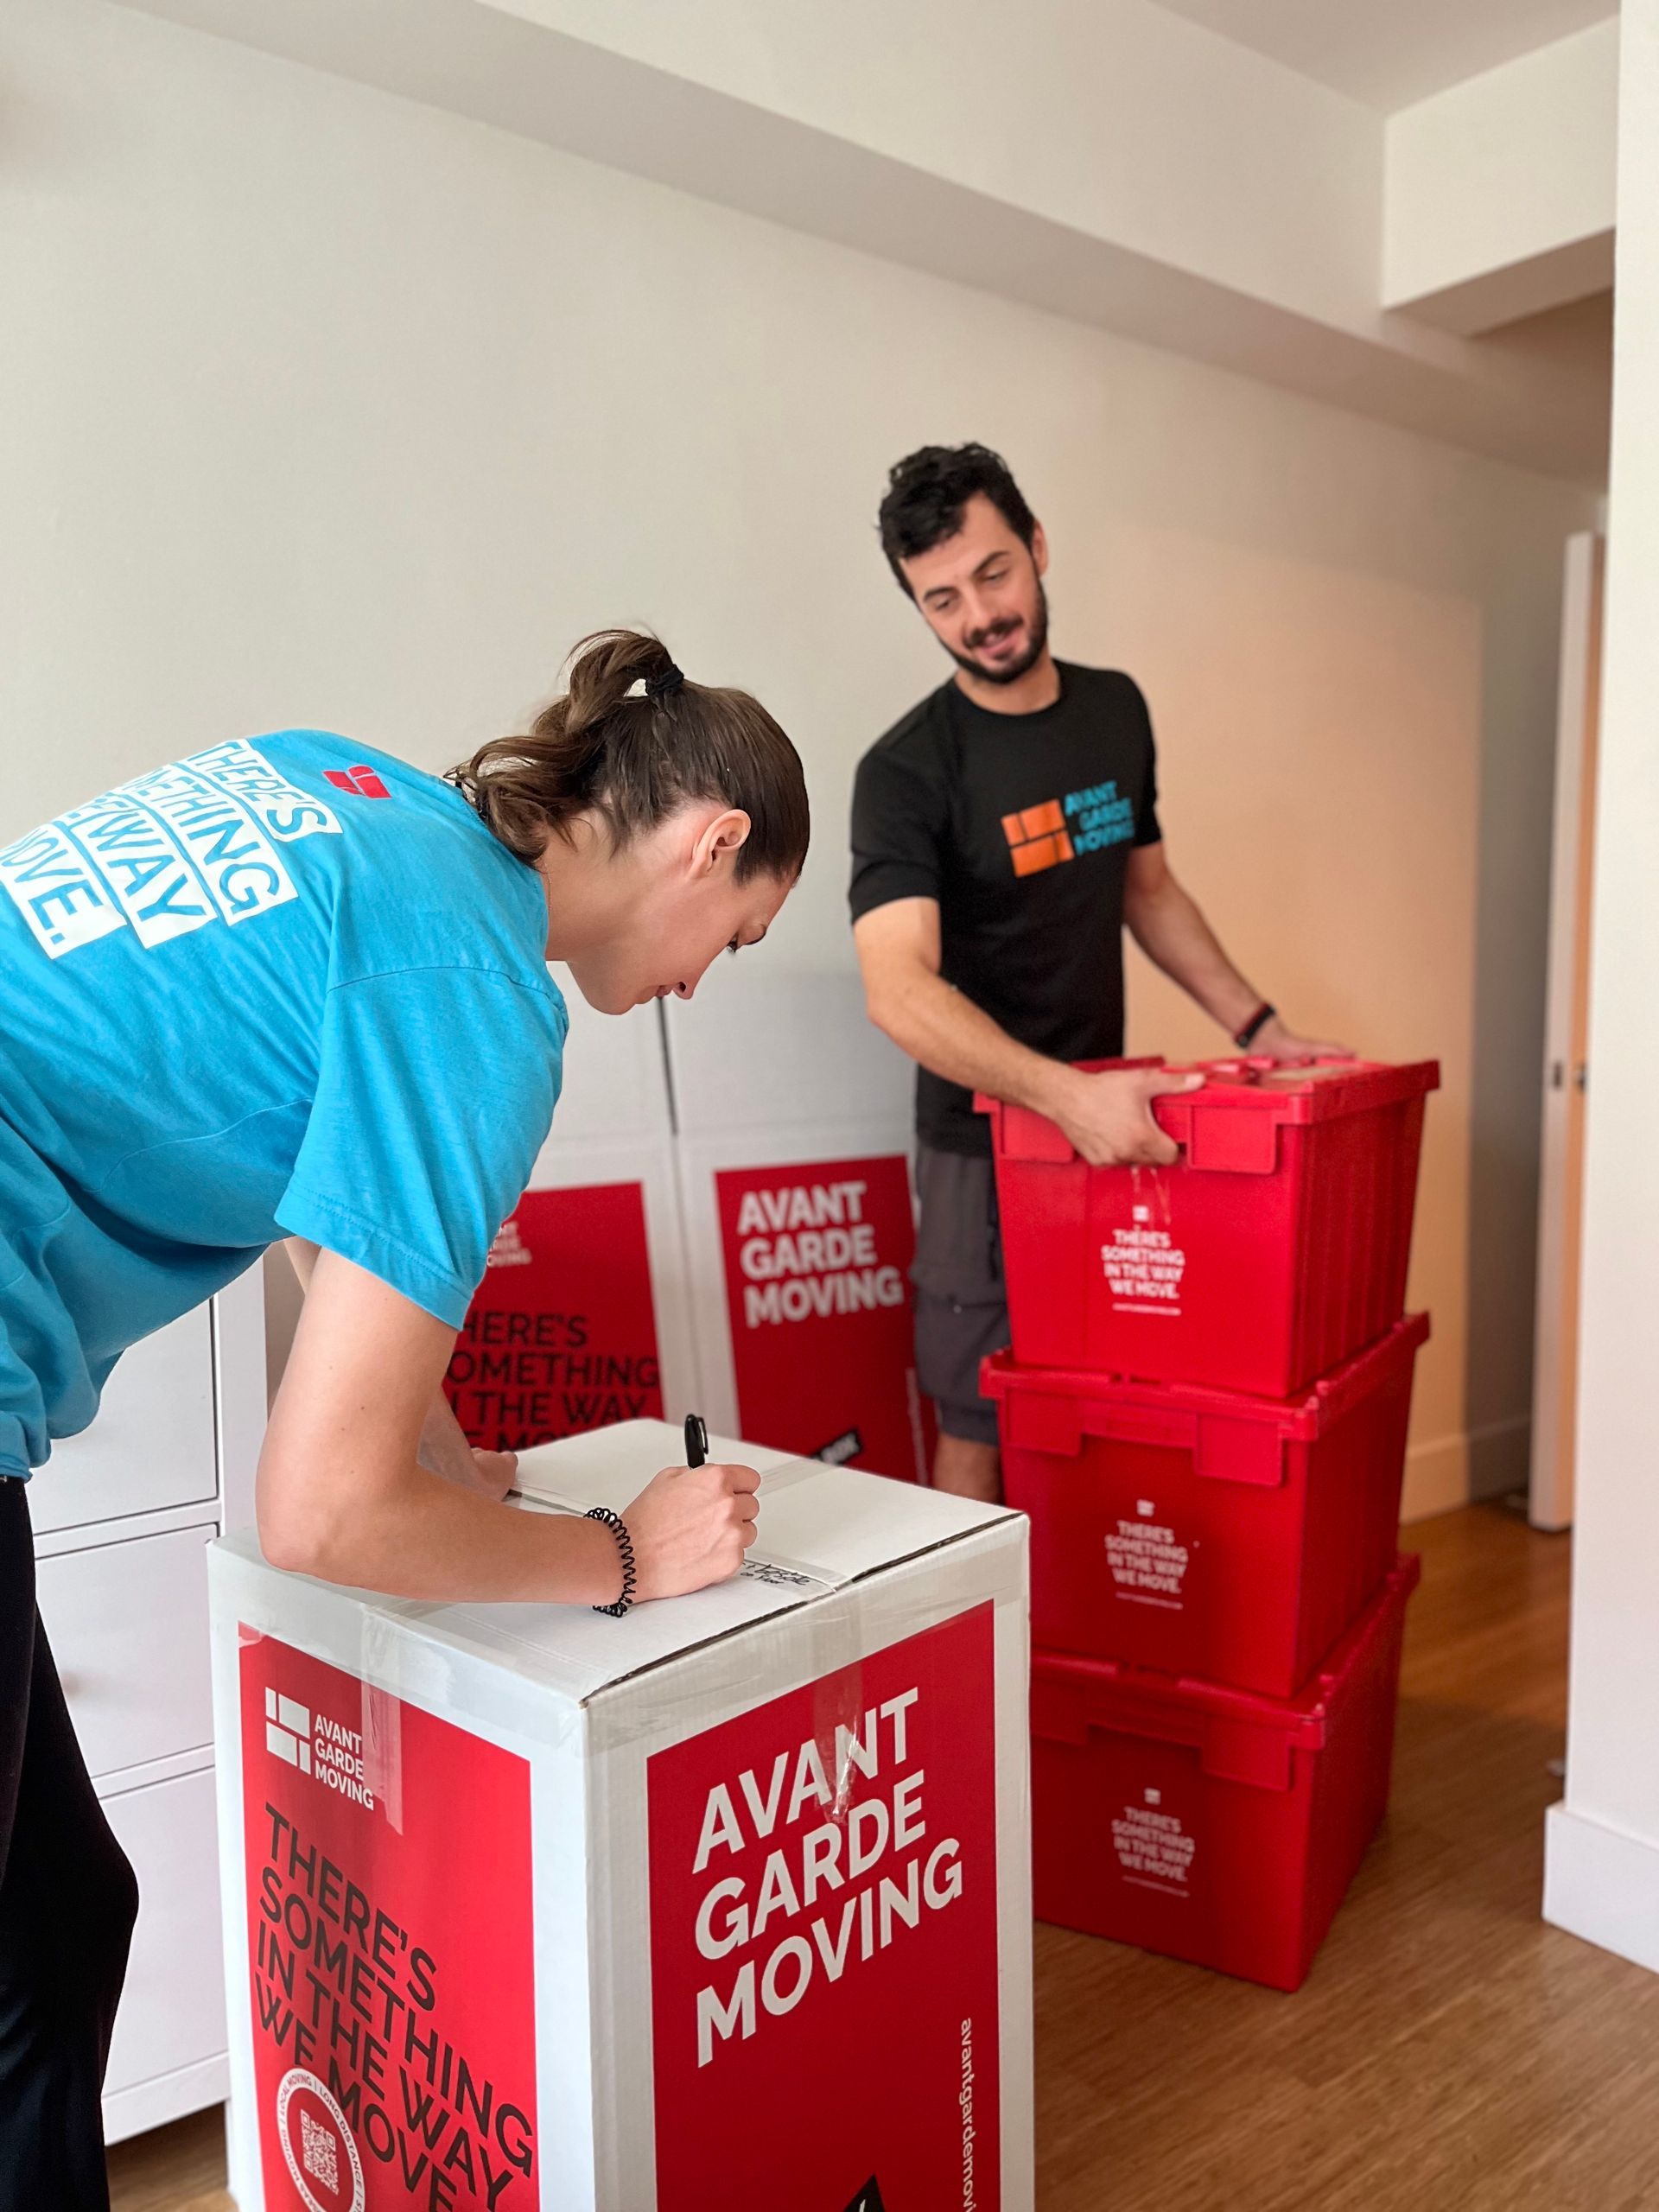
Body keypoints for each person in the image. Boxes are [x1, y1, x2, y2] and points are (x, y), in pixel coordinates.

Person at [0, 629, 809, 2210]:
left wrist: (439, 1453)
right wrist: (620, 1555)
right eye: (745, 929)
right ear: (711, 840)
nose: (707, 978)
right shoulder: (481, 995)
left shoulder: (340, 783)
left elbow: (323, 1195)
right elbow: (320, 1520)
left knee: (54, 1926)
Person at [849, 445, 1341, 1502]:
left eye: (992, 573)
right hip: (985, 1148)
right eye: (940, 599)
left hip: (1112, 1126)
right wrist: (1064, 1098)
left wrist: (1261, 1028)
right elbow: (898, 986)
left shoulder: (1115, 711)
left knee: (1117, 1405)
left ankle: (1092, 1655)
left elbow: (1150, 891)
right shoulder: (905, 771)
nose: (978, 613)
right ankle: (983, 1666)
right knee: (980, 1419)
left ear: (1036, 546)